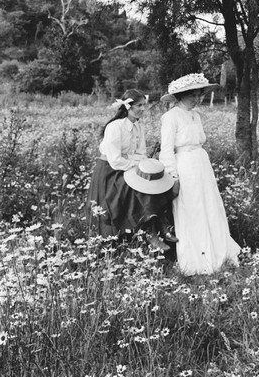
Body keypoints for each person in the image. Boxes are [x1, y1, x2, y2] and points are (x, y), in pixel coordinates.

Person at [159, 73, 241, 275]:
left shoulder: (196, 115)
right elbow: (166, 149)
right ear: (182, 95)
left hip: (201, 165)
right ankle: (197, 260)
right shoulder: (170, 117)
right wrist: (173, 176)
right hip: (184, 166)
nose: (197, 99)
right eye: (193, 95)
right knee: (192, 209)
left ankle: (219, 252)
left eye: (199, 95)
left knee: (210, 206)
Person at [85, 89, 178, 251]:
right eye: (139, 105)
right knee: (139, 191)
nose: (143, 109)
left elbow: (141, 154)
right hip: (109, 172)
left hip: (128, 168)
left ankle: (162, 223)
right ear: (128, 106)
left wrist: (144, 167)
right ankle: (149, 231)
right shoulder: (115, 127)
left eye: (144, 105)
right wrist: (136, 166)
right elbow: (115, 161)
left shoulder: (138, 126)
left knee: (157, 183)